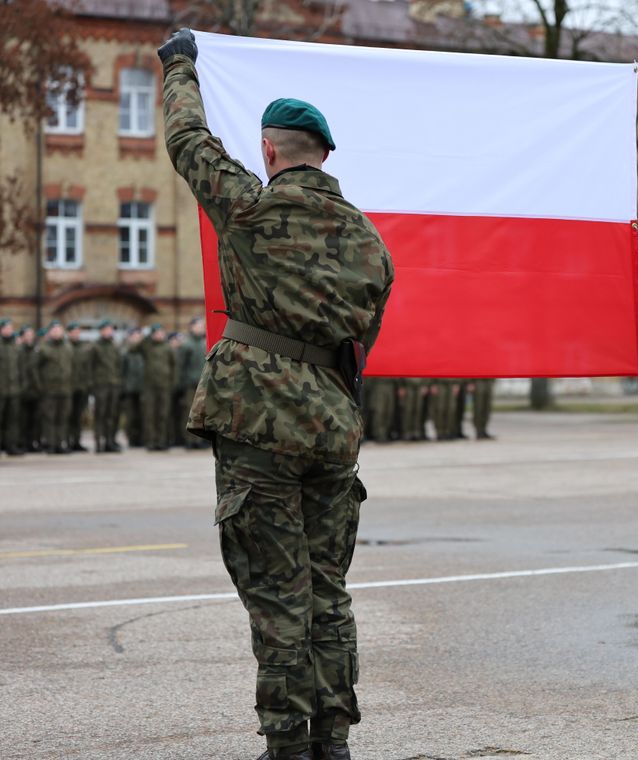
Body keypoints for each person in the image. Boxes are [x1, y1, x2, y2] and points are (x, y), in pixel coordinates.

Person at [159, 28, 394, 760]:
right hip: (330, 427)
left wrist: (179, 66)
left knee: (277, 595)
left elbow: (188, 140)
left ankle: (288, 743)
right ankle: (334, 739)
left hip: (257, 420)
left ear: (268, 150)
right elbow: (365, 342)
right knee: (329, 591)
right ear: (324, 154)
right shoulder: (369, 242)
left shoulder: (250, 208)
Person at [36, 320, 74, 455]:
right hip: (49, 389)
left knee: (63, 417)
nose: (57, 332)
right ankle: (51, 444)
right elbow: (35, 368)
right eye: (54, 330)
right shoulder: (44, 348)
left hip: (65, 389)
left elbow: (72, 367)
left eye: (59, 330)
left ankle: (60, 443)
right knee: (49, 418)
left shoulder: (68, 347)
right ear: (50, 332)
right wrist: (40, 385)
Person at [136, 324, 175, 451]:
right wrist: (146, 337)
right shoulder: (147, 346)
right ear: (153, 334)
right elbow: (134, 349)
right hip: (149, 386)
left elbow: (174, 365)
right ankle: (151, 441)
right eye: (157, 333)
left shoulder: (167, 347)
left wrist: (173, 383)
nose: (160, 335)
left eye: (161, 333)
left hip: (164, 386)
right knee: (150, 415)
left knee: (163, 414)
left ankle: (161, 441)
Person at [0, 318, 23, 456]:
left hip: (14, 390)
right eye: (6, 328)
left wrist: (20, 385)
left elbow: (21, 368)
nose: (8, 330)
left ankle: (11, 446)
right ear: (1, 330)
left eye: (10, 328)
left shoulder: (16, 347)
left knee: (12, 420)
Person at [90, 320, 123, 453]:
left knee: (111, 415)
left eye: (111, 329)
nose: (110, 331)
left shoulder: (114, 346)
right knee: (100, 415)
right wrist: (91, 384)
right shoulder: (95, 347)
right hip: (100, 385)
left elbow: (118, 365)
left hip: (113, 384)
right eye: (107, 329)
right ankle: (98, 443)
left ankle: (109, 441)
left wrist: (119, 381)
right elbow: (90, 367)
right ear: (101, 330)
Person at [178, 317, 209, 449]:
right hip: (189, 384)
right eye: (198, 326)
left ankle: (199, 440)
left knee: (201, 413)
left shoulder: (204, 343)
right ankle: (189, 440)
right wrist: (181, 383)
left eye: (202, 326)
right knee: (188, 412)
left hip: (202, 384)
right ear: (191, 327)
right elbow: (180, 365)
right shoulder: (186, 344)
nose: (201, 328)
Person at [67, 322, 92, 452]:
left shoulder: (84, 348)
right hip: (68, 387)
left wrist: (88, 384)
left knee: (78, 416)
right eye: (74, 332)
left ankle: (76, 441)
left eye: (78, 332)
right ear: (69, 333)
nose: (76, 334)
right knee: (67, 416)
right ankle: (66, 441)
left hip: (81, 387)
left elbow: (88, 368)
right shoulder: (65, 347)